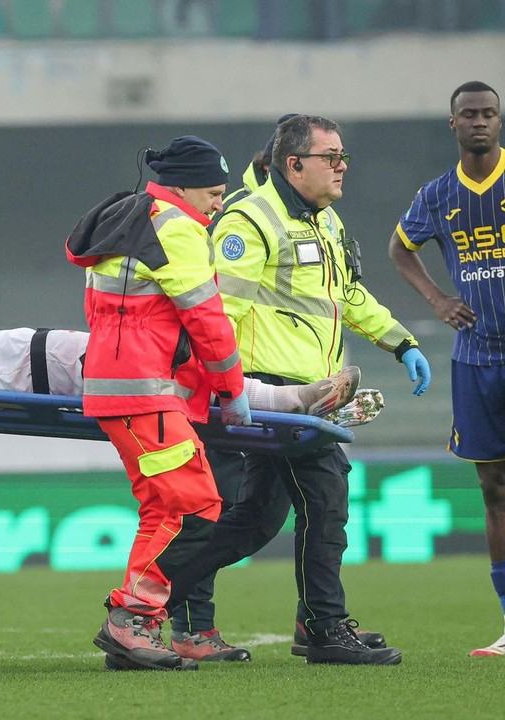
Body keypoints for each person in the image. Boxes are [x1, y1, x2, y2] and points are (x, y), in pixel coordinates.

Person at [167, 114, 430, 666]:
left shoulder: (325, 222)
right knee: (325, 498)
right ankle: (323, 626)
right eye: (329, 157)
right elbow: (222, 312)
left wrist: (400, 342)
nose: (341, 167)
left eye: (343, 157)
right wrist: (229, 389)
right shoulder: (250, 220)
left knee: (257, 519)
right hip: (270, 392)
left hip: (306, 395)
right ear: (293, 164)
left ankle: (144, 592)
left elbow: (348, 297)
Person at [65, 135, 252, 671]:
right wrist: (231, 389)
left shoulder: (129, 217)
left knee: (164, 510)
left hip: (120, 385)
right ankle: (131, 621)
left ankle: (135, 630)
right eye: (214, 193)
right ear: (182, 187)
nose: (220, 204)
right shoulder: (177, 227)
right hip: (145, 392)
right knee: (195, 508)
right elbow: (206, 319)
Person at [388, 80, 505, 657]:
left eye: (489, 113)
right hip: (476, 358)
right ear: (452, 124)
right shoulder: (437, 195)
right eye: (469, 115)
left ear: (500, 120)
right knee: (494, 487)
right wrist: (436, 299)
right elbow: (399, 247)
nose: (480, 122)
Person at [0, 327, 361, 420]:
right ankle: (294, 398)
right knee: (169, 381)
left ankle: (294, 398)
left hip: (17, 360)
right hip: (21, 363)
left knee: (172, 378)